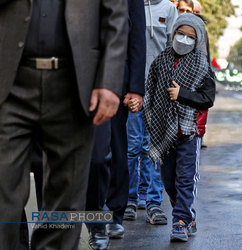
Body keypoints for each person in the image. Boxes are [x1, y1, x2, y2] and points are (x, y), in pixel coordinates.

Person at [0, 1, 128, 249]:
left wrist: (110, 79)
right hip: (8, 82)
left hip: (75, 85)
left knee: (66, 202)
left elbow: (116, 13)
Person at [143, 13, 215, 242]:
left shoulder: (202, 65)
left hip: (187, 133)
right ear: (173, 33)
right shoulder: (161, 61)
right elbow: (150, 92)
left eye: (190, 36)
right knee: (168, 180)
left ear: (198, 40)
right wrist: (149, 117)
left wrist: (181, 94)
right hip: (164, 132)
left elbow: (207, 98)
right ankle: (187, 215)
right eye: (181, 34)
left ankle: (180, 221)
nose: (184, 39)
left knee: (185, 180)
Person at [84, 0, 146, 249]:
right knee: (94, 157)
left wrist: (135, 88)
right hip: (79, 76)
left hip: (117, 81)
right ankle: (95, 220)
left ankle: (115, 213)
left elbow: (137, 37)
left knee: (117, 150)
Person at [124, 0, 178, 226]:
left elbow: (175, 52)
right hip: (134, 89)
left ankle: (154, 204)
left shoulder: (169, 9)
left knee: (153, 149)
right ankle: (127, 200)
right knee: (131, 146)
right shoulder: (129, 5)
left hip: (159, 93)